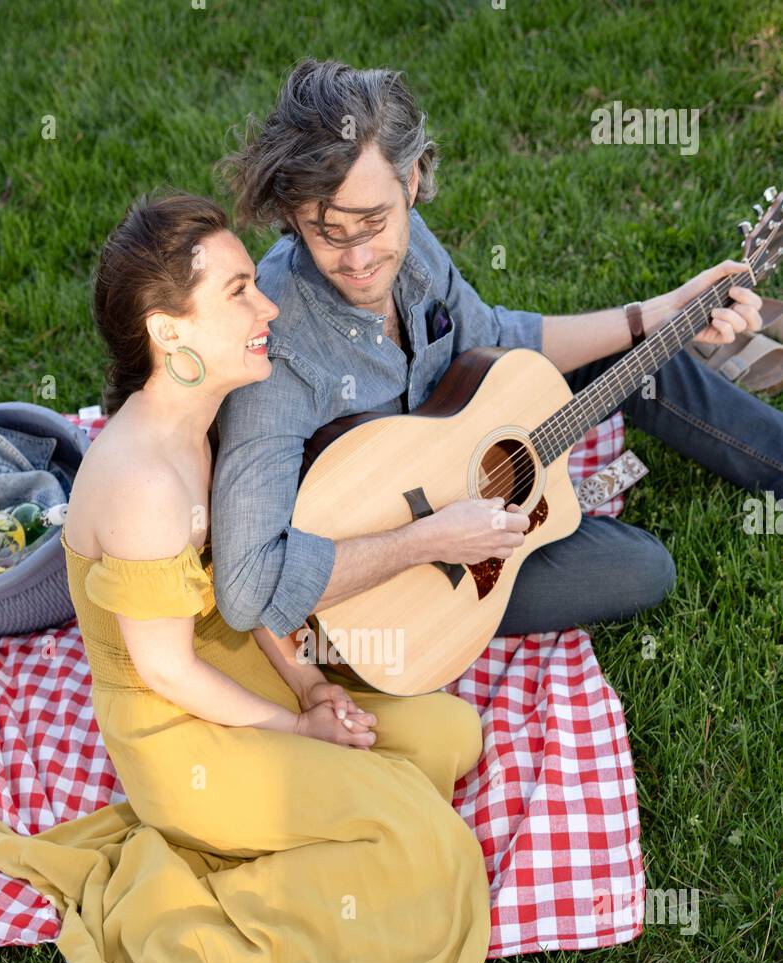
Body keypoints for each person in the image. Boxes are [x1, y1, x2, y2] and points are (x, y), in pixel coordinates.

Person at [0, 191, 493, 963]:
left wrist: (306, 681)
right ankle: (226, 904)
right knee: (428, 849)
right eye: (242, 293)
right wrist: (299, 731)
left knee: (449, 739)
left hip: (240, 673)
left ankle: (288, 837)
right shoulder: (139, 480)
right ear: (168, 331)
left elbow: (243, 583)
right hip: (182, 737)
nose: (271, 310)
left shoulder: (199, 425)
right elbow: (168, 671)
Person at [209, 57, 780, 645]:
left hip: (457, 454)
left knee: (640, 353)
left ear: (408, 184)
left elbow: (496, 341)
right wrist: (428, 541)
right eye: (326, 232)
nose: (357, 260)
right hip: (403, 588)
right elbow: (248, 586)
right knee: (643, 567)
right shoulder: (278, 350)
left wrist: (657, 315)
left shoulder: (413, 245)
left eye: (373, 223)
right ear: (293, 218)